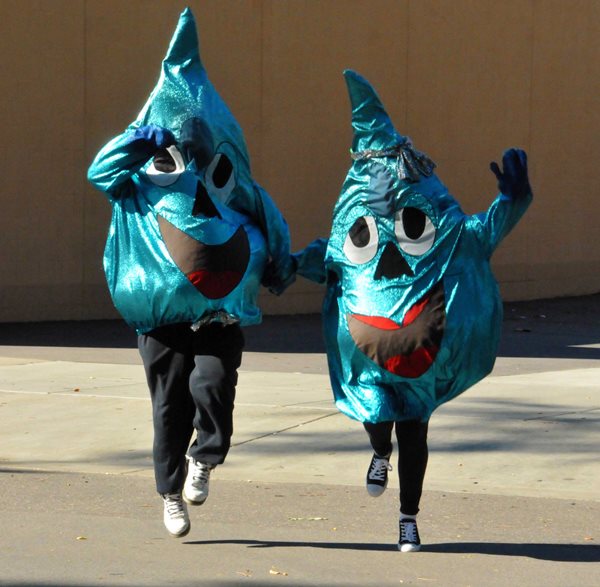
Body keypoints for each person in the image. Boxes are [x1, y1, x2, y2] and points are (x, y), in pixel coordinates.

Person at [295, 70, 532, 551]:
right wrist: (276, 263)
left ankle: (409, 518)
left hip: (421, 349)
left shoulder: (441, 232)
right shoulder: (354, 231)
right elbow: (325, 259)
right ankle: (379, 451)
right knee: (378, 417)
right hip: (370, 354)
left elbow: (482, 232)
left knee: (416, 433)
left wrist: (513, 198)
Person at [88, 9, 294, 538]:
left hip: (220, 316)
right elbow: (99, 170)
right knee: (168, 407)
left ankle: (206, 457)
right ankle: (169, 494)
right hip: (159, 319)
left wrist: (284, 269)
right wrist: (141, 142)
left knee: (215, 388)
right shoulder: (135, 183)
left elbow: (269, 219)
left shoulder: (236, 193)